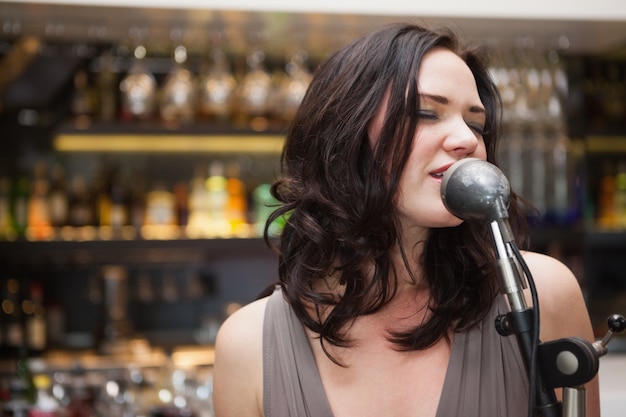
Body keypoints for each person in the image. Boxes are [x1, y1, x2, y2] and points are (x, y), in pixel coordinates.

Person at [213, 23, 600, 417]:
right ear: (344, 136)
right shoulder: (247, 345)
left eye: (476, 123)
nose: (466, 139)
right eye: (425, 113)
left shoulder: (543, 295)